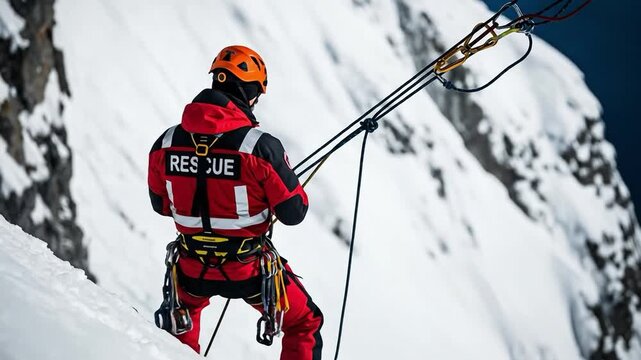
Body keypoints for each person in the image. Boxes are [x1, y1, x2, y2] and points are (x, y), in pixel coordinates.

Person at [148, 45, 323, 360]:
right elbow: (294, 212)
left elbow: (161, 205)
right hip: (249, 271)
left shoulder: (166, 143)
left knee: (180, 326)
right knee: (305, 322)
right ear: (251, 93)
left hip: (190, 268)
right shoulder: (260, 148)